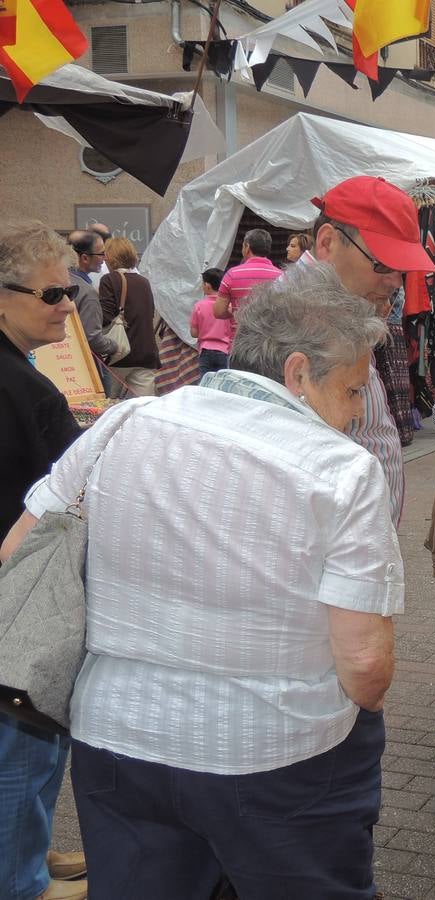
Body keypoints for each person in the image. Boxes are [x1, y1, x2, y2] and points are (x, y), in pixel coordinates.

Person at [3, 264, 404, 900]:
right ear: (298, 373)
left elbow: (18, 548)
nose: (357, 414)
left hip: (119, 742)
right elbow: (364, 666)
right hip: (279, 756)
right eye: (354, 391)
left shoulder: (125, 422)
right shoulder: (342, 472)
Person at [0, 220, 87, 900]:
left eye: (72, 292)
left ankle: (25, 850)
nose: (67, 306)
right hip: (21, 596)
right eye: (53, 294)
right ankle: (18, 877)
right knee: (22, 745)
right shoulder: (25, 391)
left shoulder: (23, 377)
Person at [301, 176, 435, 528]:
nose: (394, 281)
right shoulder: (295, 322)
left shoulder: (345, 307)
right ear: (327, 242)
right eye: (381, 264)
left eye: (401, 269)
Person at [99, 236, 159, 398]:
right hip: (145, 353)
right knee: (142, 407)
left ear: (110, 257)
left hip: (119, 354)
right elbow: (150, 314)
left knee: (108, 407)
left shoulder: (108, 280)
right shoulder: (144, 282)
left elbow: (105, 317)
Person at [66, 230, 119, 386]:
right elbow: (92, 338)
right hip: (86, 368)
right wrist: (114, 346)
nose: (105, 258)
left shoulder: (61, 280)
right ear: (84, 257)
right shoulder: (87, 292)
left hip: (64, 363)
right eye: (101, 254)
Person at [212, 228, 282, 331]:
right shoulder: (281, 277)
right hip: (270, 339)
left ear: (247, 247)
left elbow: (218, 311)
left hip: (240, 340)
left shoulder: (232, 275)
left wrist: (235, 313)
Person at [189, 267, 233, 378]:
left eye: (203, 284)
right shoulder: (229, 306)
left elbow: (194, 333)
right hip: (225, 350)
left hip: (206, 350)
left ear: (207, 286)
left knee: (205, 383)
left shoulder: (199, 305)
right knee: (223, 382)